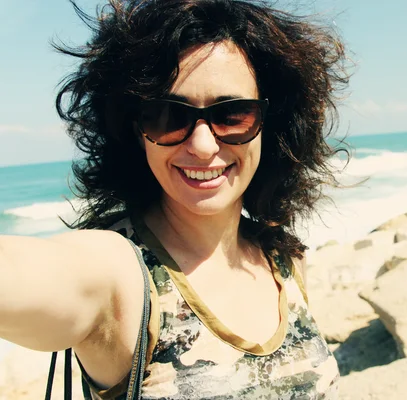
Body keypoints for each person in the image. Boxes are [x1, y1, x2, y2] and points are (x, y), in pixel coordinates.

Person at [0, 0, 351, 398]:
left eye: (233, 114)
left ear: (269, 127)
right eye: (169, 117)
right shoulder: (120, 275)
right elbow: (27, 274)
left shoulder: (284, 260)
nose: (202, 146)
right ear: (136, 131)